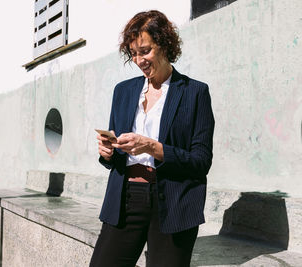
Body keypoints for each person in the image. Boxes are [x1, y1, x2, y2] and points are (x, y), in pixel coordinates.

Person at [90, 10, 215, 267]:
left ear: (165, 44)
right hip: (125, 198)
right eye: (133, 53)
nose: (139, 60)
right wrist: (109, 153)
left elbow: (201, 161)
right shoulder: (123, 92)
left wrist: (153, 147)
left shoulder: (195, 93)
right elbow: (116, 156)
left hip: (173, 202)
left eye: (145, 51)